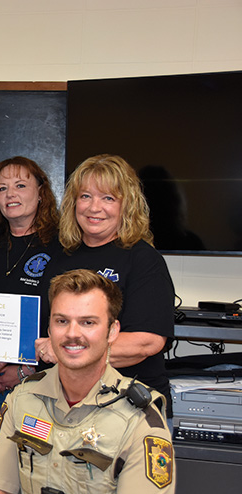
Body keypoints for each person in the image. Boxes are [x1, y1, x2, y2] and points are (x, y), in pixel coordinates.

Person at [0, 268, 174, 494]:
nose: (72, 334)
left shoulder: (141, 419)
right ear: (49, 327)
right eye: (62, 321)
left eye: (88, 322)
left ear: (112, 331)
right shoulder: (23, 399)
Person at [36, 155, 175, 419]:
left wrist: (69, 349)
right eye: (86, 196)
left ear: (127, 206)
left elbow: (147, 342)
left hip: (130, 410)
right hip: (69, 406)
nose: (94, 207)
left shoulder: (143, 259)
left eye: (108, 198)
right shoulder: (61, 258)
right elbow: (47, 329)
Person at [0, 156, 60, 460]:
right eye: (2, 188)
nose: (10, 195)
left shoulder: (62, 245)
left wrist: (22, 371)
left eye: (21, 185)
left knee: (39, 470)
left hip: (40, 382)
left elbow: (63, 318)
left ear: (41, 192)